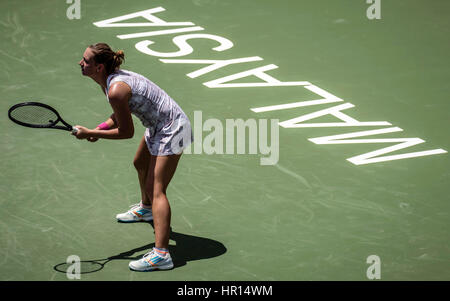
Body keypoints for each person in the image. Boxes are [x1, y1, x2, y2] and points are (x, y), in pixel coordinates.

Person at [74, 42, 192, 271]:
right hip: (159, 125)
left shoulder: (116, 90)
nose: (81, 62)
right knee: (140, 163)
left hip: (173, 129)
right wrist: (101, 127)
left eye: (86, 60)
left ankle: (161, 255)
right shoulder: (111, 81)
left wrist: (92, 133)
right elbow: (120, 114)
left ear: (99, 67)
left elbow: (127, 132)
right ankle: (146, 210)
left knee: (156, 188)